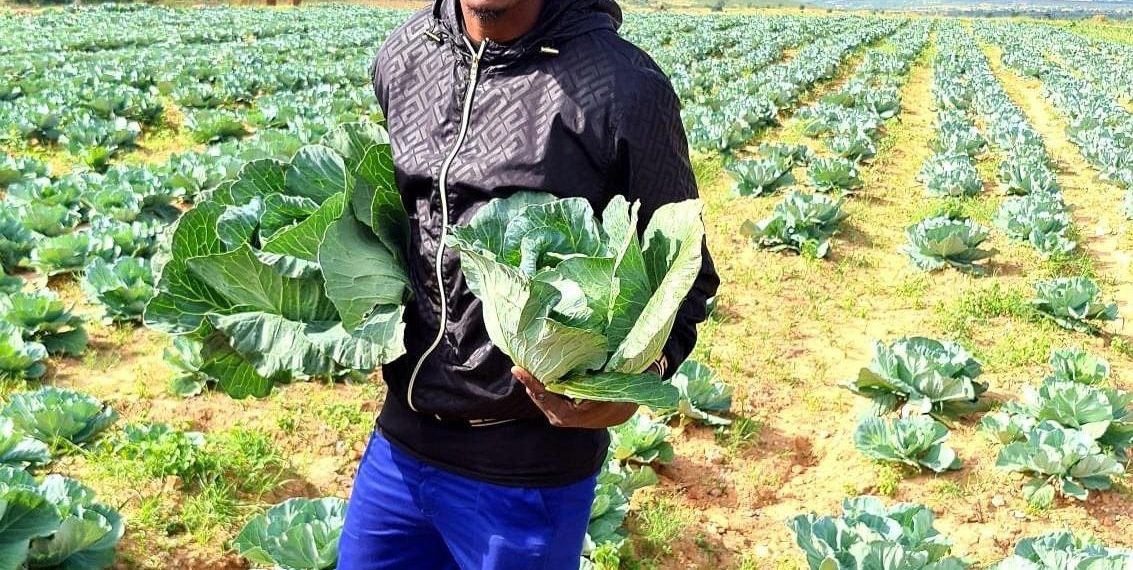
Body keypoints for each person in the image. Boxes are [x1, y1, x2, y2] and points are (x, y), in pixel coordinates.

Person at [338, 0, 719, 566]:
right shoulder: (405, 54)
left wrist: (635, 383)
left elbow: (685, 271)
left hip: (527, 471)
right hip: (400, 445)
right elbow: (408, 220)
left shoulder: (621, 89)